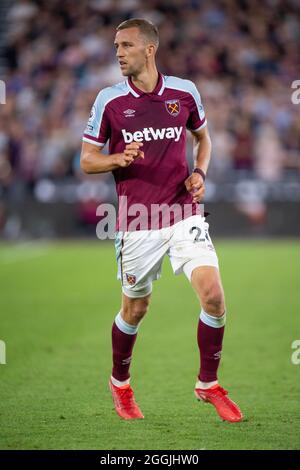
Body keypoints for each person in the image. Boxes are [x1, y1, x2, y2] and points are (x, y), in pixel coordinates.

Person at [80, 18, 243, 423]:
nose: (118, 52)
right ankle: (120, 384)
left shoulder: (184, 92)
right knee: (136, 310)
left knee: (214, 296)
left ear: (149, 49)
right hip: (137, 220)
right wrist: (118, 158)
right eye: (116, 45)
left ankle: (208, 384)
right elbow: (87, 160)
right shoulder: (110, 101)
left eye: (126, 45)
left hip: (182, 211)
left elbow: (203, 139)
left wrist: (200, 174)